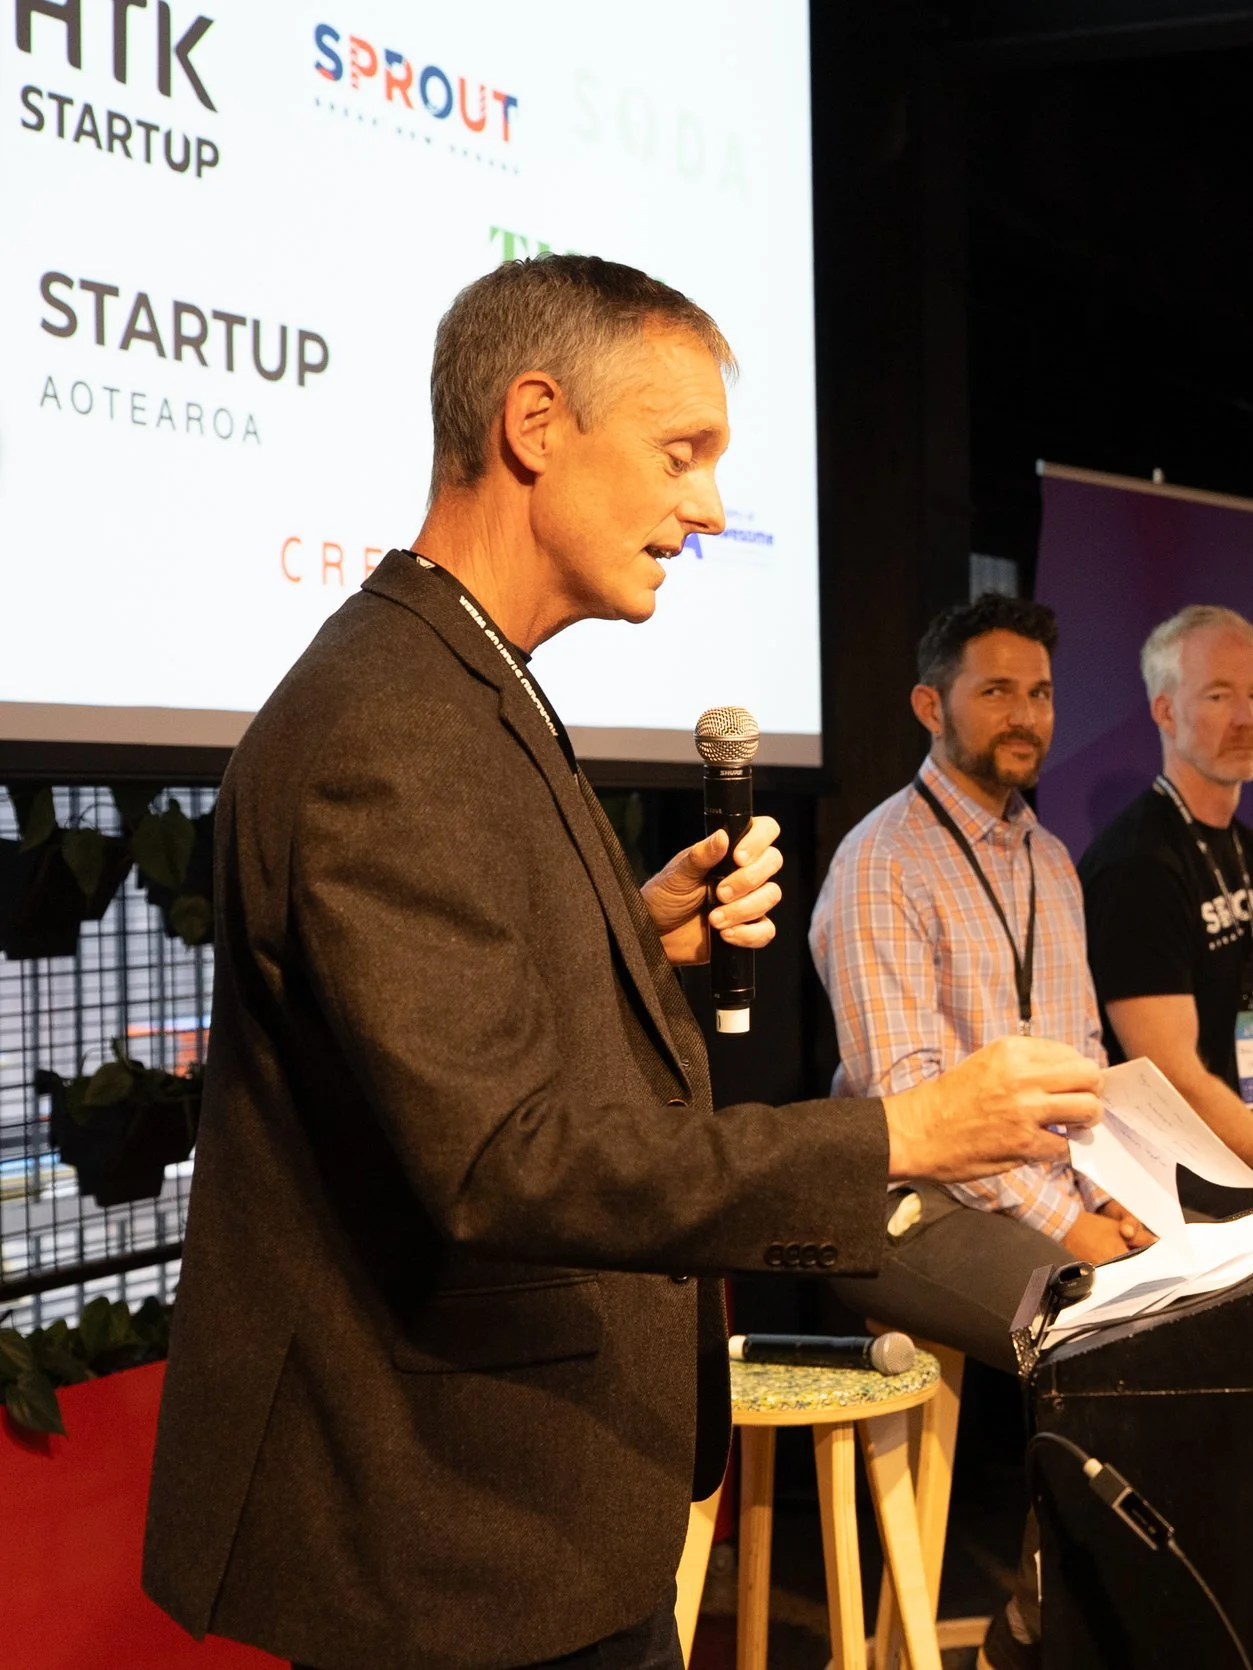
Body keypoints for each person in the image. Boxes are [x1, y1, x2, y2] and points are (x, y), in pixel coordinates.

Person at [143, 256, 1101, 1670]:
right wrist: (904, 1132)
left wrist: (630, 942)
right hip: (454, 1528)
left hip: (525, 1509)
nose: (709, 506)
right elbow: (499, 1158)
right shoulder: (390, 726)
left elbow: (451, 1034)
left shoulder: (457, 679)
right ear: (536, 422)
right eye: (681, 451)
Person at [813, 594, 1155, 1355]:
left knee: (1213, 1291)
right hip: (915, 1196)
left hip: (1045, 1188)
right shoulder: (881, 861)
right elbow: (911, 1105)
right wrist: (1069, 1224)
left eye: (1041, 693)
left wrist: (1114, 1198)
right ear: (930, 707)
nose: (1025, 717)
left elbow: (1084, 1064)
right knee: (1114, 1332)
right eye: (997, 692)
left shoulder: (1050, 859)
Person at [1078, 605, 1253, 1199]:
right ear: (1165, 711)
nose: (1245, 718)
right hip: (1179, 1172)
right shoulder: (1137, 864)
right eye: (1218, 696)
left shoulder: (1252, 851)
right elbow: (1172, 1080)